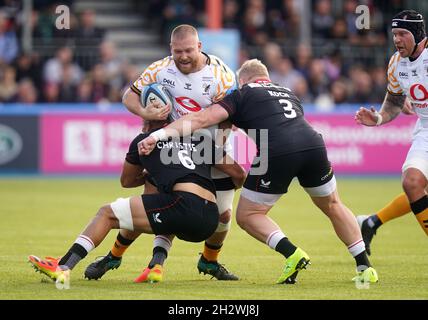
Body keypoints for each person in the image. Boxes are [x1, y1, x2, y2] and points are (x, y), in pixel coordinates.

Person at [139, 59, 378, 284]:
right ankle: (365, 268)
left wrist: (159, 134)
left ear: (242, 81)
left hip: (278, 150)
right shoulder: (287, 92)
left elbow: (202, 118)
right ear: (266, 78)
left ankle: (292, 254)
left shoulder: (241, 94)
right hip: (314, 145)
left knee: (248, 215)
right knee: (333, 204)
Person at [83, 24, 242, 282]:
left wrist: (218, 150)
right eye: (178, 51)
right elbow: (128, 96)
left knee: (223, 215)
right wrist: (146, 113)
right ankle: (116, 255)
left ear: (199, 47)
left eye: (189, 50)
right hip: (172, 147)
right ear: (171, 49)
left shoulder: (221, 75)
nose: (184, 56)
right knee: (153, 202)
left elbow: (228, 117)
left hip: (211, 149)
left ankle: (210, 261)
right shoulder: (160, 69)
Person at [28, 119, 245, 285]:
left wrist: (148, 174)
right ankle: (155, 264)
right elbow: (238, 173)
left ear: (147, 117)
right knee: (165, 205)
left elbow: (126, 181)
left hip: (183, 206)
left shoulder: (144, 140)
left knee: (107, 213)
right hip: (209, 219)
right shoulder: (199, 138)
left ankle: (63, 266)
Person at [355, 10, 428, 253]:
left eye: (403, 34)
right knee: (413, 182)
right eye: (394, 34)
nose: (397, 39)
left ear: (418, 34)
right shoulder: (396, 63)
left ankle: (371, 222)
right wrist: (377, 118)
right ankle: (371, 222)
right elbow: (395, 103)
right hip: (425, 130)